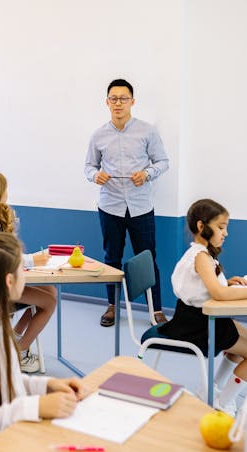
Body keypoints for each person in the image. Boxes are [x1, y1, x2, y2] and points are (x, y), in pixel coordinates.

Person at [0, 226, 87, 450]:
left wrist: (48, 385)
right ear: (9, 281)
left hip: (12, 434)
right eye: (23, 269)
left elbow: (10, 382)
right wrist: (36, 407)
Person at [158, 199, 247, 415]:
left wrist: (227, 282)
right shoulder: (200, 257)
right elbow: (218, 294)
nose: (225, 233)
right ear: (201, 226)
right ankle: (222, 404)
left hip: (201, 317)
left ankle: (212, 389)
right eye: (221, 227)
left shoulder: (203, 254)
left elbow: (208, 288)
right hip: (196, 324)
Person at [84, 78, 170, 327]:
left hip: (141, 206)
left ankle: (155, 310)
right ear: (107, 102)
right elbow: (89, 166)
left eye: (123, 98)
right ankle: (112, 306)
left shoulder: (147, 131)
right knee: (111, 258)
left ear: (132, 101)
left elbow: (163, 162)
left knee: (147, 259)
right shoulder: (98, 135)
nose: (118, 103)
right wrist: (95, 175)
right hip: (110, 206)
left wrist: (147, 174)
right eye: (113, 98)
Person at [0, 172, 57, 374]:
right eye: (5, 188)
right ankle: (19, 354)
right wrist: (31, 260)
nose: (7, 192)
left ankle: (15, 337)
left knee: (50, 290)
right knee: (50, 303)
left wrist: (32, 258)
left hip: (2, 280)